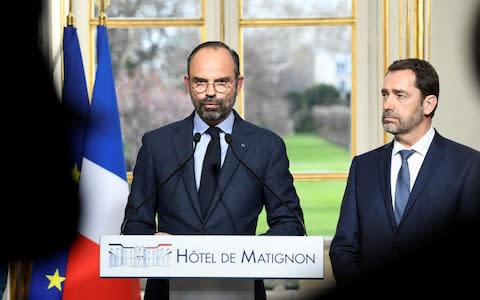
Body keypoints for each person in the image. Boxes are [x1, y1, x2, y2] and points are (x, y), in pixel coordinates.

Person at [121, 41, 305, 300]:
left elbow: (291, 225)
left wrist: (247, 251)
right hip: (168, 291)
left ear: (238, 85)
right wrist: (153, 242)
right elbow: (133, 226)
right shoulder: (157, 145)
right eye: (200, 82)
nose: (210, 92)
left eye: (221, 82)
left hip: (241, 291)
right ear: (187, 84)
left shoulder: (266, 147)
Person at [328, 58, 480, 297]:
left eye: (400, 95)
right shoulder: (363, 166)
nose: (388, 104)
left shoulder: (469, 165)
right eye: (385, 94)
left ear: (428, 104)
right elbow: (343, 248)